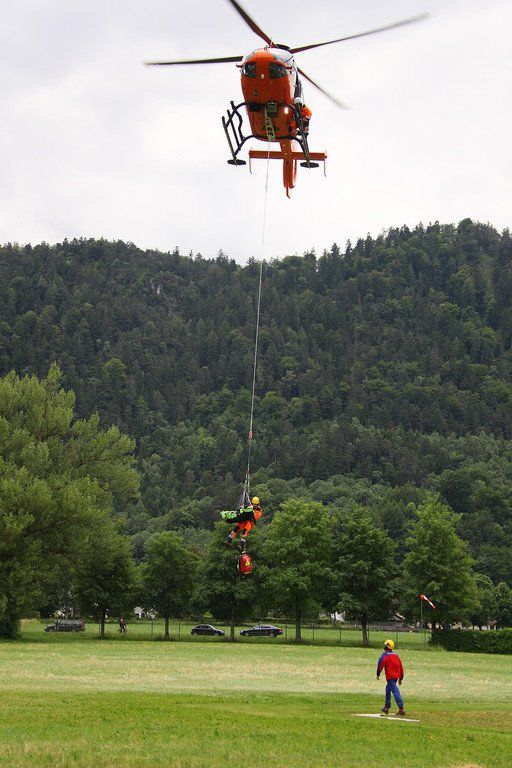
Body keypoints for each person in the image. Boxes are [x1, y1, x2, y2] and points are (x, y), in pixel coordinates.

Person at [376, 639, 406, 716]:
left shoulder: (385, 655)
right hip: (396, 677)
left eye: (385, 645)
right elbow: (400, 667)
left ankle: (401, 708)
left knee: (395, 691)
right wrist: (401, 678)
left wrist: (378, 674)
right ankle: (386, 707)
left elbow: (380, 665)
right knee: (388, 689)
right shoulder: (396, 656)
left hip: (390, 677)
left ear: (387, 646)